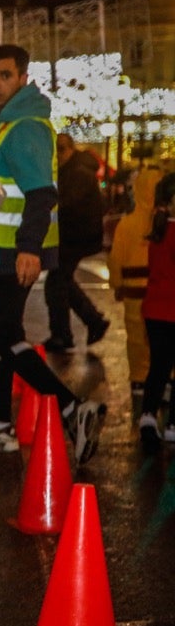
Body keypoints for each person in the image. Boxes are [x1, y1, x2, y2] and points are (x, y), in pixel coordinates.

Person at [0, 44, 106, 464]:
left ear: (23, 77)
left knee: (2, 333)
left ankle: (71, 408)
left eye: (4, 75)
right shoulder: (9, 124)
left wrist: (29, 249)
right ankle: (0, 425)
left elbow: (42, 194)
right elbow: (0, 191)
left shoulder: (24, 127)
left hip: (12, 250)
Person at [43, 134, 110, 352]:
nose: (59, 154)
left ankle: (63, 335)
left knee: (56, 284)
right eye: (56, 149)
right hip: (71, 236)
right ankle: (93, 321)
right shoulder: (70, 170)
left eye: (62, 149)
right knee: (62, 282)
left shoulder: (79, 172)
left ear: (71, 148)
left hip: (75, 236)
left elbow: (67, 203)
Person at [109, 166, 164, 397]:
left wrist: (117, 283)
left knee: (136, 339)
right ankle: (165, 380)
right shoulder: (164, 225)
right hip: (160, 291)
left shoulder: (127, 224)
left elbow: (116, 258)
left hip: (133, 291)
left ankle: (139, 381)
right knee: (161, 340)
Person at [135, 174, 175, 451]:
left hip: (154, 310)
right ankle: (172, 424)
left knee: (158, 367)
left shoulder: (159, 230)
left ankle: (147, 417)